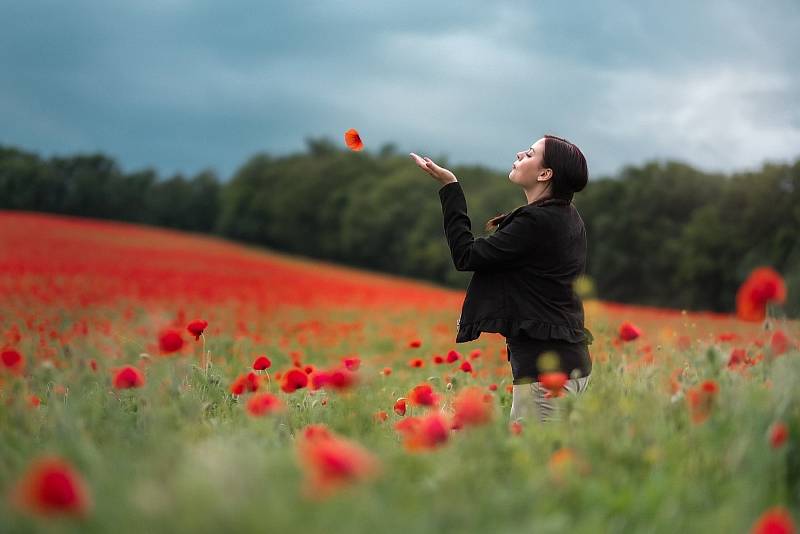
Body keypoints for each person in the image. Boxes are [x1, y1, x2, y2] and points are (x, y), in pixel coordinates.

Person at [409, 135, 593, 424]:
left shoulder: (536, 222)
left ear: (545, 174)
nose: (520, 153)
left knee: (534, 463)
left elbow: (466, 256)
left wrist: (450, 188)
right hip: (569, 363)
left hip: (547, 375)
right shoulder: (568, 217)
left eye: (530, 154)